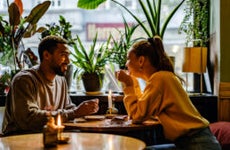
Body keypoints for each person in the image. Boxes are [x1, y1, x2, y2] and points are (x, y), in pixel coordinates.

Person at [115, 36, 221, 150]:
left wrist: (129, 85)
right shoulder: (163, 77)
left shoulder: (159, 79)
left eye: (128, 59)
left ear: (141, 61)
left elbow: (136, 116)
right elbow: (144, 110)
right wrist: (133, 84)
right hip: (194, 141)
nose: (126, 64)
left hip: (198, 144)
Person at [2, 35, 99, 135]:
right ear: (47, 55)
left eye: (68, 56)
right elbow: (28, 119)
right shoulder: (24, 80)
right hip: (18, 140)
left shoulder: (61, 80)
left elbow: (68, 109)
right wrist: (74, 113)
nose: (68, 61)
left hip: (49, 137)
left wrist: (84, 111)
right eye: (63, 55)